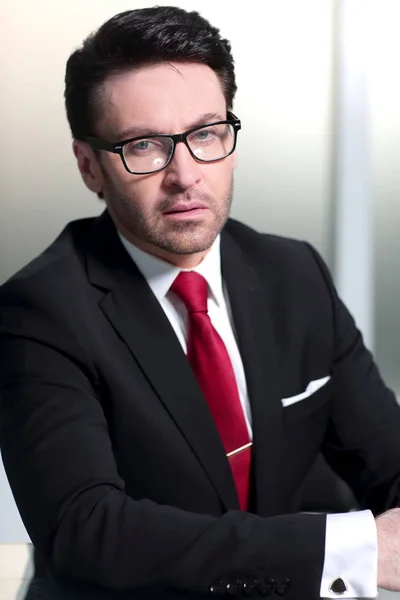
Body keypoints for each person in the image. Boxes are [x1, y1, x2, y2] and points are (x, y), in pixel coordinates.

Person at [0, 6, 400, 600]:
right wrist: (351, 548)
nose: (185, 175)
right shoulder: (39, 312)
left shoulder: (294, 274)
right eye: (144, 146)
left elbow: (387, 457)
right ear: (90, 167)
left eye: (206, 134)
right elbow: (86, 530)